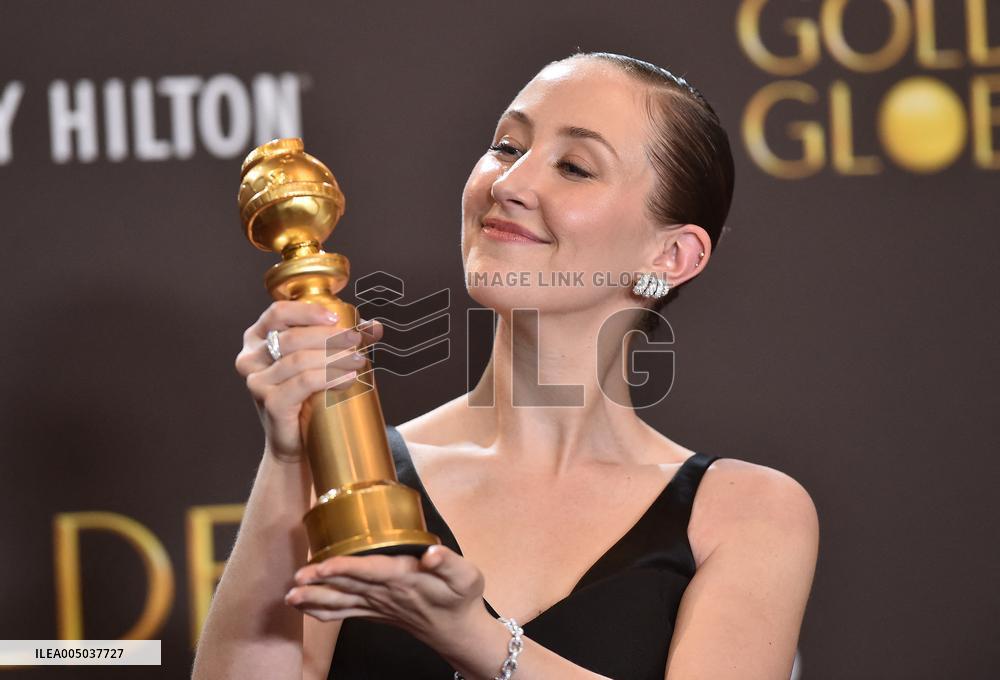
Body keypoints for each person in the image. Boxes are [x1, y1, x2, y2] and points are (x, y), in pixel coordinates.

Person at [192, 50, 819, 680]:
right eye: (505, 146)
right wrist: (293, 455)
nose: (509, 184)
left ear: (672, 255)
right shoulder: (358, 476)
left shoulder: (745, 512)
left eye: (575, 166)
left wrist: (472, 637)